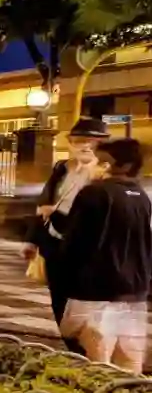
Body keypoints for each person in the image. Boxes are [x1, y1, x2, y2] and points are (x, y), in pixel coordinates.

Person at [58, 138, 151, 372]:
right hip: (133, 290)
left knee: (96, 362)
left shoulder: (94, 193)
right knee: (129, 362)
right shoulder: (141, 196)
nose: (97, 165)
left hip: (96, 289)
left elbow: (74, 242)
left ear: (124, 165)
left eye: (103, 161)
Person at [23, 117, 109, 351]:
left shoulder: (105, 175)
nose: (84, 146)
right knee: (59, 296)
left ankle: (87, 349)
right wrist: (32, 239)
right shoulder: (62, 168)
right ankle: (71, 346)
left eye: (91, 142)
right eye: (78, 141)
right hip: (54, 242)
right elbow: (44, 203)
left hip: (85, 247)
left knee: (82, 299)